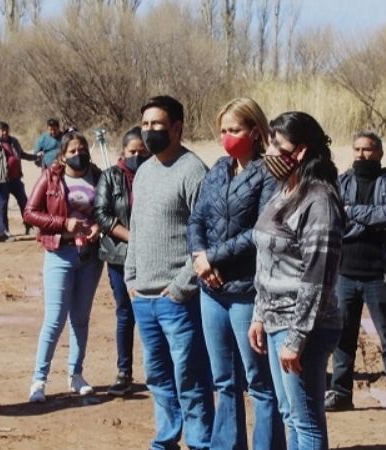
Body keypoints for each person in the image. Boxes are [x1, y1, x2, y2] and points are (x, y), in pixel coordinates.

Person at [186, 97, 284, 450]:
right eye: (223, 130)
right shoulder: (218, 169)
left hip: (247, 291)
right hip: (211, 290)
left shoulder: (271, 173)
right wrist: (200, 258)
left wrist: (212, 257)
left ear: (256, 132)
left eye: (235, 129)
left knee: (259, 381)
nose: (227, 136)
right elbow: (196, 217)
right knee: (223, 380)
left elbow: (262, 230)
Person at [249, 111, 345, 450]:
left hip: (304, 327)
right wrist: (260, 314)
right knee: (290, 413)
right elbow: (266, 260)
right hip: (276, 320)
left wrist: (297, 337)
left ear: (301, 151)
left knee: (306, 423)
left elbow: (318, 277)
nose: (270, 151)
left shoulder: (319, 200)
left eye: (278, 144)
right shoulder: (284, 191)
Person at [124, 95, 214, 449]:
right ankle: (165, 439)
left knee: (190, 377)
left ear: (176, 127)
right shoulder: (144, 170)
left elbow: (206, 237)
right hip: (143, 297)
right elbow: (137, 228)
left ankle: (199, 442)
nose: (149, 132)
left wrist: (181, 286)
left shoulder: (193, 171)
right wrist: (131, 278)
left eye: (157, 125)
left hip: (177, 299)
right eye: (145, 125)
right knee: (157, 377)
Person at [325, 131, 386, 418]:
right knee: (343, 337)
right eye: (357, 149)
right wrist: (368, 218)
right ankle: (340, 392)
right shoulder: (342, 181)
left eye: (368, 149)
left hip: (379, 273)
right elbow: (335, 218)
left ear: (380, 153)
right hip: (345, 273)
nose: (362, 154)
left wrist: (353, 214)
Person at [24, 129, 104, 402]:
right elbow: (30, 212)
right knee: (55, 318)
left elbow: (107, 211)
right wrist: (63, 224)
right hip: (60, 253)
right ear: (62, 155)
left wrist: (98, 227)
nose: (78, 155)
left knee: (80, 318)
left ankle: (76, 374)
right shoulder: (51, 177)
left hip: (89, 257)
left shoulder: (99, 176)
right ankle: (39, 379)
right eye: (72, 151)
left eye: (82, 150)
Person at [93, 126, 149, 396]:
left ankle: (157, 371)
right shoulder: (110, 177)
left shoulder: (156, 174)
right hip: (119, 255)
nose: (137, 156)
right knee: (125, 314)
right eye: (132, 151)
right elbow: (101, 215)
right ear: (122, 152)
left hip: (154, 256)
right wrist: (133, 238)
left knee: (153, 313)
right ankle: (124, 372)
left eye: (142, 151)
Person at [0, 121, 35, 235]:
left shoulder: (14, 141)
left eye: (6, 130)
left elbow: (22, 154)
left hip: (16, 178)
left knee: (24, 202)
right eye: (2, 130)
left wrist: (35, 157)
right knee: (3, 205)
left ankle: (29, 226)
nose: (5, 132)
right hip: (1, 180)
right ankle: (5, 229)